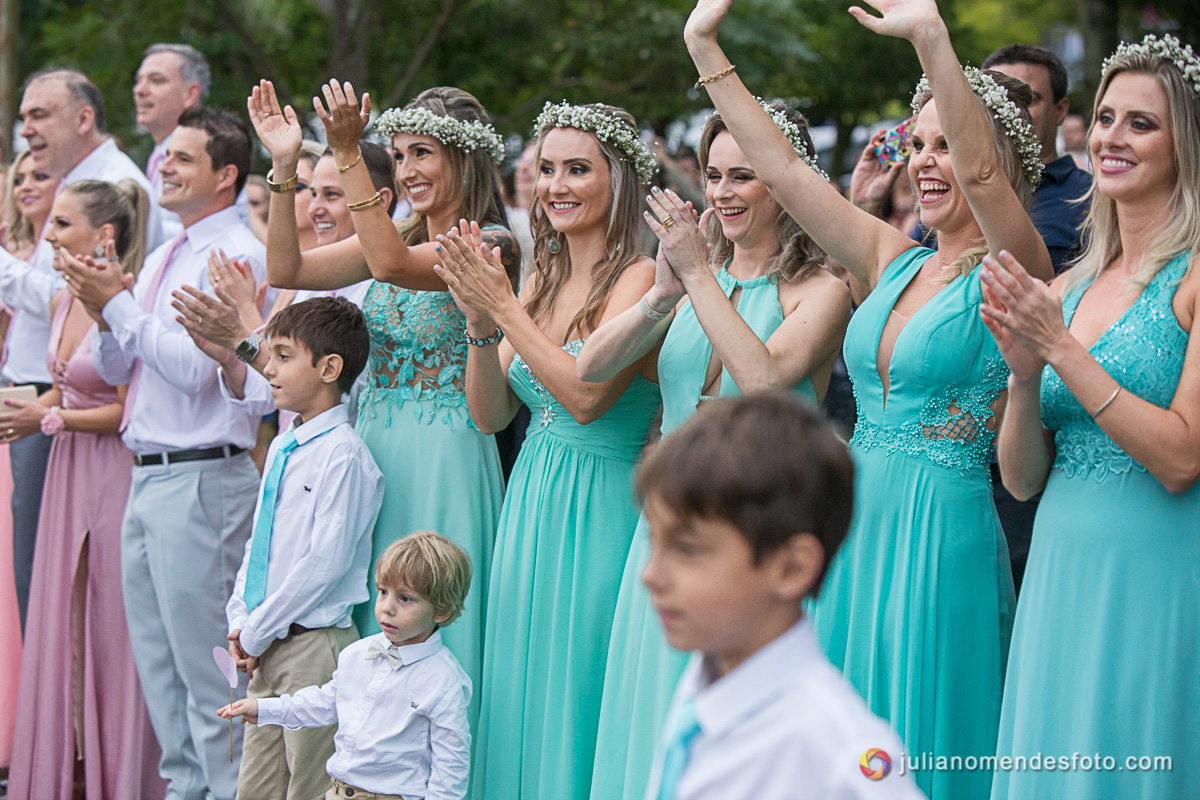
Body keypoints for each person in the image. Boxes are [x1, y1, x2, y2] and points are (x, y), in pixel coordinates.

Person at [683, 0, 1052, 796]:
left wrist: (931, 41)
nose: (924, 161)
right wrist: (703, 45)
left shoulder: (1016, 265)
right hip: (852, 523)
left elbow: (986, 176)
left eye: (945, 145)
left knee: (914, 741)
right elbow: (781, 168)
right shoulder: (893, 257)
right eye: (916, 144)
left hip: (941, 530)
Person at [576, 104, 851, 800]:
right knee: (648, 722)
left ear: (786, 183)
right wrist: (664, 294)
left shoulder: (821, 288)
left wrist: (700, 276)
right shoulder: (693, 275)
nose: (722, 192)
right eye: (713, 175)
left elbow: (762, 378)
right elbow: (592, 367)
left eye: (744, 176)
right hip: (666, 524)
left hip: (751, 530)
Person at [247, 79, 519, 729]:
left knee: (431, 626)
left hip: (445, 459)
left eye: (420, 153)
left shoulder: (491, 243)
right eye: (396, 155)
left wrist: (347, 153)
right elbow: (286, 268)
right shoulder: (388, 234)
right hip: (372, 451)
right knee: (370, 629)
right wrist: (286, 170)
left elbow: (393, 265)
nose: (407, 170)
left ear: (465, 159)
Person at [983, 33, 1200, 799]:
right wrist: (1020, 376)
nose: (1111, 136)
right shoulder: (1072, 283)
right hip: (1059, 570)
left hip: (1157, 571)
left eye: (1141, 123)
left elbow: (1181, 458)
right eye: (1106, 117)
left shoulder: (1195, 275)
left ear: (1187, 143)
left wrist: (1060, 349)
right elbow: (1021, 479)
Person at [434, 101, 661, 800]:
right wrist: (478, 325)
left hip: (602, 505)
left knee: (577, 681)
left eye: (578, 170)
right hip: (532, 492)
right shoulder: (544, 277)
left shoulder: (642, 278)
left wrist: (502, 308)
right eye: (548, 169)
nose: (555, 185)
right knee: (518, 680)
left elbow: (586, 396)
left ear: (618, 180)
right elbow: (490, 411)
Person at [64, 107, 269, 800]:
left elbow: (192, 368)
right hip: (146, 476)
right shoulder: (161, 253)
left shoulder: (235, 253)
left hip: (204, 477)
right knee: (159, 671)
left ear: (227, 174)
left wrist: (119, 309)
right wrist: (105, 311)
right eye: (166, 155)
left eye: (183, 158)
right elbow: (121, 367)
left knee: (211, 673)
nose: (165, 166)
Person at [637, 394, 925, 800]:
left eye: (688, 549)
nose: (649, 575)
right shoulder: (704, 678)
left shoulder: (841, 757)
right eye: (655, 541)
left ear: (791, 568)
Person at [4, 179, 165, 800]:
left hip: (109, 470)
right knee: (64, 615)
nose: (49, 236)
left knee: (108, 620)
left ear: (104, 236)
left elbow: (126, 406)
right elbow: (64, 386)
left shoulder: (125, 298)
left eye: (62, 225)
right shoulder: (61, 299)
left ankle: (122, 777)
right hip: (68, 469)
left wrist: (47, 420)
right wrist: (34, 407)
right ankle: (70, 769)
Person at [220, 297, 383, 800]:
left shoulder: (345, 456)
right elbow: (260, 541)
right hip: (267, 643)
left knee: (311, 787)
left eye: (285, 356)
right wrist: (241, 617)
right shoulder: (283, 446)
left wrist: (259, 629)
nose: (269, 368)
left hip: (313, 647)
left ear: (330, 368)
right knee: (258, 787)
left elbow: (325, 563)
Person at [219, 530, 474, 800]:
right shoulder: (359, 653)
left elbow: (451, 769)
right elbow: (325, 702)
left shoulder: (443, 682)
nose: (387, 607)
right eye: (383, 591)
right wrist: (264, 709)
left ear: (442, 610)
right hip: (337, 791)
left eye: (405, 598)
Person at [976, 44, 1096, 596]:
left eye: (1022, 99)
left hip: (1033, 432)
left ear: (1061, 109)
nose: (1003, 111)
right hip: (955, 451)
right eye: (989, 97)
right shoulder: (946, 202)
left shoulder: (1089, 200)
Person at [134, 43, 210, 240]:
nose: (140, 90)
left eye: (156, 80)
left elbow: (203, 234)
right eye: (138, 80)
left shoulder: (209, 155)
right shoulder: (158, 152)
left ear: (190, 94)